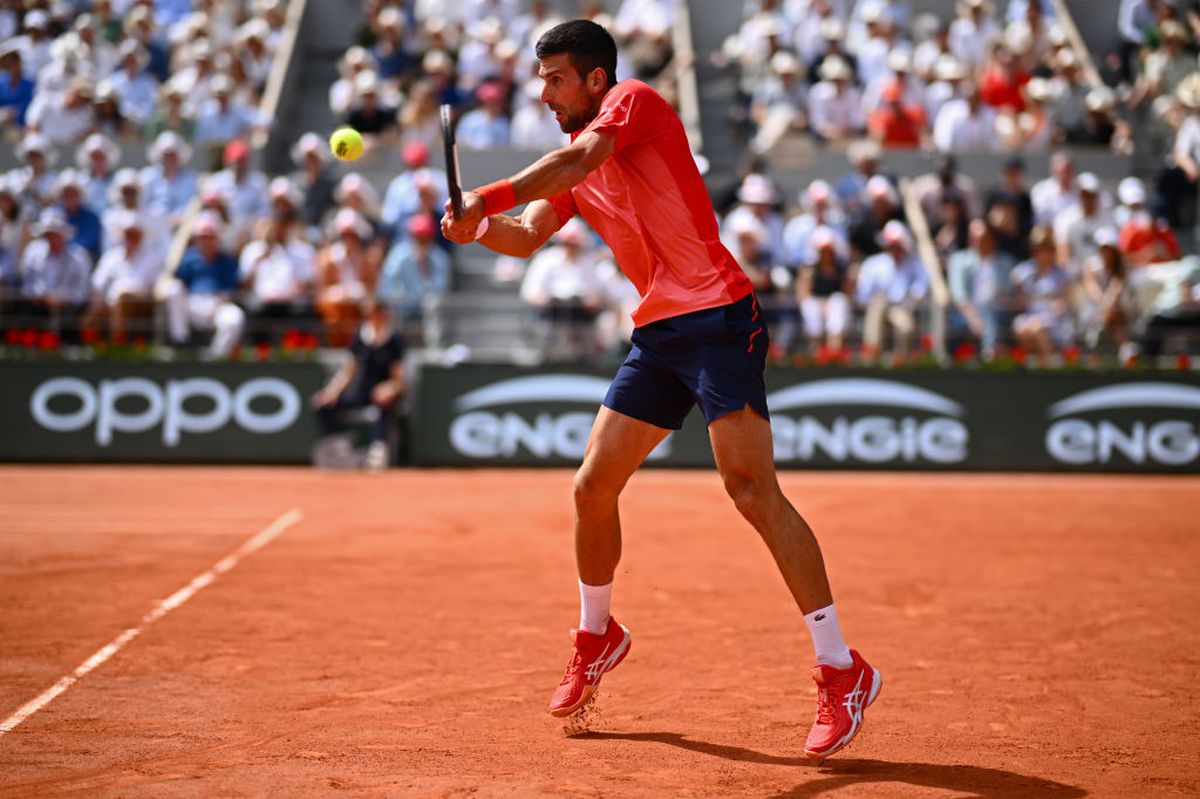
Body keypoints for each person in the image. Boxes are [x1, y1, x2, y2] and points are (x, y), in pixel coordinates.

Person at [440, 19, 880, 759]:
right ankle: (597, 634)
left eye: (556, 79)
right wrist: (476, 229)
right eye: (542, 81)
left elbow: (579, 156)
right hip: (659, 335)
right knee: (591, 486)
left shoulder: (635, 103)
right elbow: (525, 235)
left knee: (750, 490)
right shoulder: (576, 166)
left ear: (596, 79)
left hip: (719, 320)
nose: (545, 94)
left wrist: (483, 194)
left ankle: (843, 669)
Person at [311, 299, 406, 471]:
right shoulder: (359, 337)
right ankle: (337, 446)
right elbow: (349, 370)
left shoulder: (394, 340)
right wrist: (332, 391)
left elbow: (399, 380)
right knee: (323, 404)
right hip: (361, 393)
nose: (371, 318)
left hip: (383, 395)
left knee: (383, 402)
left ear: (383, 315)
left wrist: (389, 388)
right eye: (367, 315)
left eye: (375, 314)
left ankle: (378, 451)